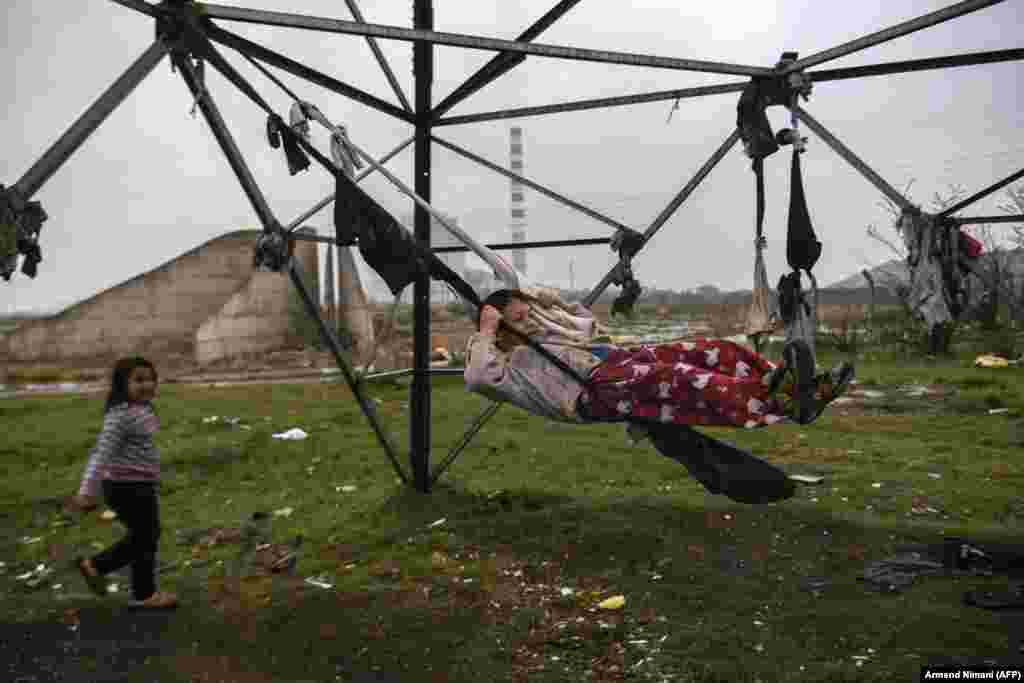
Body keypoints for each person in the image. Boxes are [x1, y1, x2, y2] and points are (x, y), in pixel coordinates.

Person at [464, 288, 853, 430]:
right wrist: (485, 330)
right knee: (683, 379)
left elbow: (585, 325)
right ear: (499, 329)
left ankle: (794, 384)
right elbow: (477, 379)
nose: (529, 320)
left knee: (713, 350)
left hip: (617, 362)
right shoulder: (508, 363)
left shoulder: (545, 335)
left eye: (528, 313)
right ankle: (780, 403)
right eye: (518, 318)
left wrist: (552, 302)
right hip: (593, 392)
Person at [67, 356, 177, 609]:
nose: (147, 385)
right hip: (124, 488)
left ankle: (142, 593)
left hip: (140, 485)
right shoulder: (119, 417)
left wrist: (154, 477)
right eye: (139, 380)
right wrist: (86, 492)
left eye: (151, 379)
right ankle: (97, 566)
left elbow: (140, 450)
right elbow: (101, 454)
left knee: (145, 536)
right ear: (122, 384)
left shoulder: (143, 410)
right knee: (145, 537)